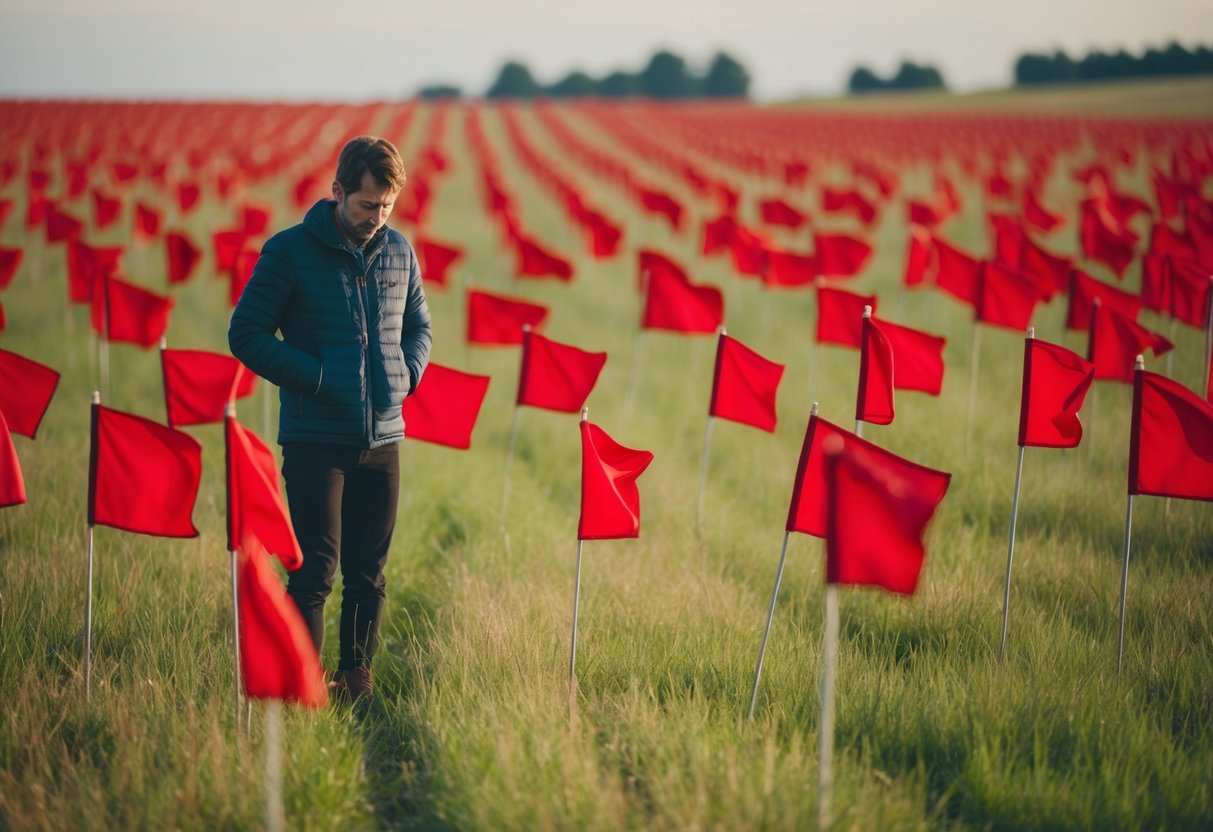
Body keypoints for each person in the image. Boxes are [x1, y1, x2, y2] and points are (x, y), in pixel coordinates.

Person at [229, 136, 432, 702]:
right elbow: (244, 334)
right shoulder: (290, 252)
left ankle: (356, 679)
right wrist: (316, 378)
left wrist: (405, 375)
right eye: (369, 205)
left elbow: (419, 328)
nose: (379, 218)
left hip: (383, 437)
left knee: (369, 575)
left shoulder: (399, 251)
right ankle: (302, 685)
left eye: (388, 206)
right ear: (338, 191)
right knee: (315, 573)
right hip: (316, 438)